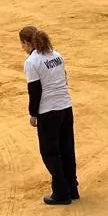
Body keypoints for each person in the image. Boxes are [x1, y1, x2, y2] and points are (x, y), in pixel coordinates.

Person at [21, 25, 78, 206]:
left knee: (50, 152)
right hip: (65, 107)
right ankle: (72, 188)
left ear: (27, 43)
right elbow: (65, 78)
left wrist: (33, 114)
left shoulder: (32, 62)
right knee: (67, 149)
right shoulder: (57, 55)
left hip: (48, 112)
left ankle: (61, 192)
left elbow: (34, 90)